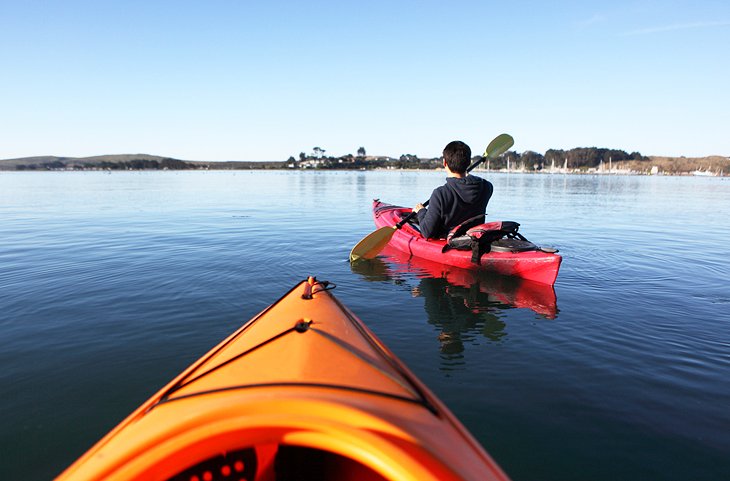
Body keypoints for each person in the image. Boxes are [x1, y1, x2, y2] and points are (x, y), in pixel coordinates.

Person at [413, 140, 493, 239]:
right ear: (468, 162)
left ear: (444, 162)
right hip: (475, 238)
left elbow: (427, 232)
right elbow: (470, 182)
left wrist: (421, 211)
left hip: (450, 241)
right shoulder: (487, 187)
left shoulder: (440, 194)